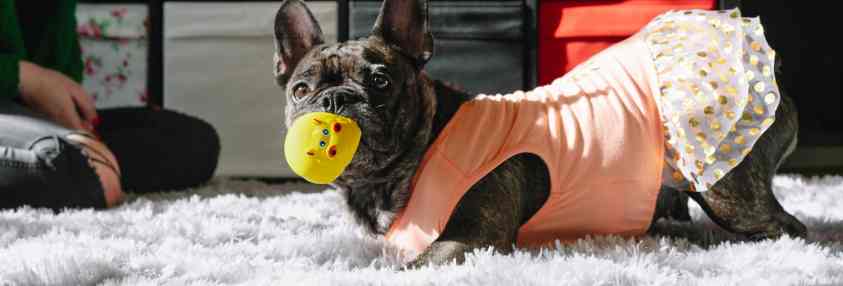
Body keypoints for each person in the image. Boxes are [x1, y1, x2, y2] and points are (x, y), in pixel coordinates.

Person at [1, 0, 220, 211]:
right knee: (79, 168)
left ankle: (76, 165)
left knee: (193, 142)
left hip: (25, 116)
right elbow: (36, 81)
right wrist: (23, 77)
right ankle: (74, 167)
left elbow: (59, 71)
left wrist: (72, 114)